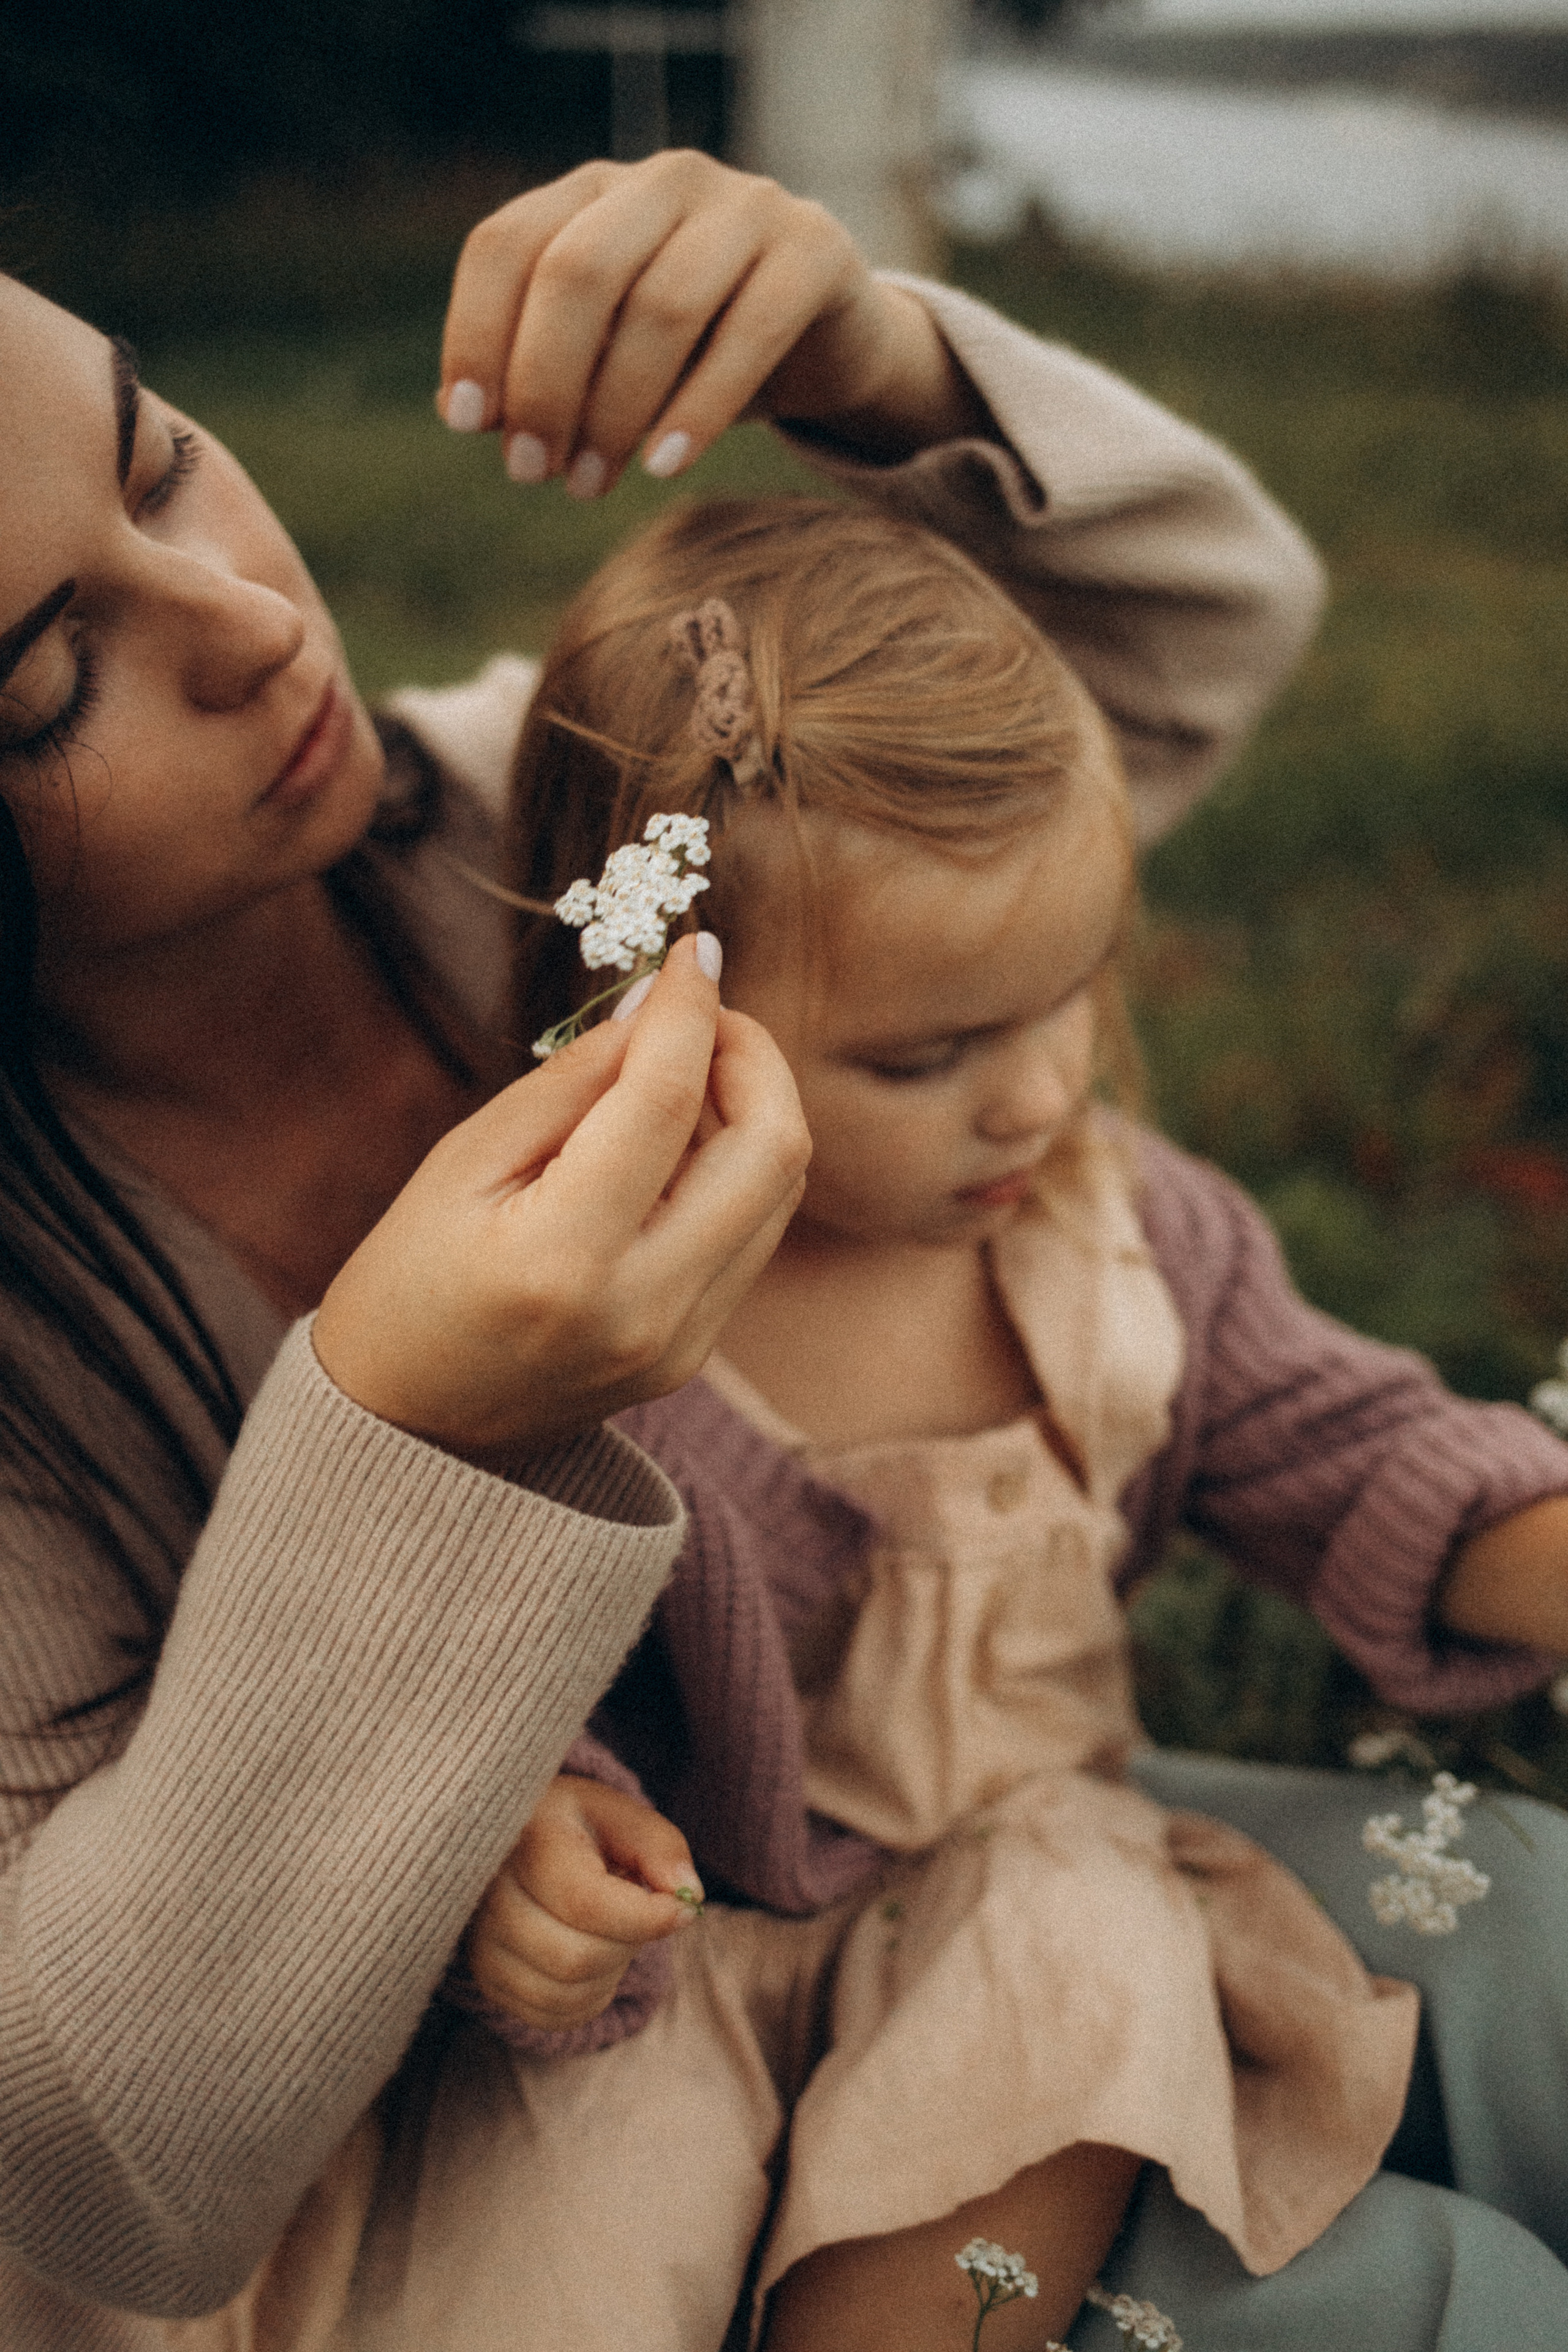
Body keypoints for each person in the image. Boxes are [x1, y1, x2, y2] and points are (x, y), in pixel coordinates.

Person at [0, 151, 1339, 2347]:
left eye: (165, 462)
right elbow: (98, 2164)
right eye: (51, 688)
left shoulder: (553, 853)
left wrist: (881, 369)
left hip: (918, 1915)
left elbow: (1170, 665)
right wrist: (409, 1430)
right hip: (428, 2226)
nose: (253, 624)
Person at [424, 491, 1568, 2352]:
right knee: (563, 2279)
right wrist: (535, 1837)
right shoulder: (568, 1313)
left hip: (1043, 1876)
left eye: (1068, 994)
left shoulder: (1116, 1237)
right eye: (925, 1054)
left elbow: (1346, 1454)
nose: (1038, 1095)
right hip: (697, 1970)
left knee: (1312, 1950)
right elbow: (453, 1648)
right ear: (644, 1001)